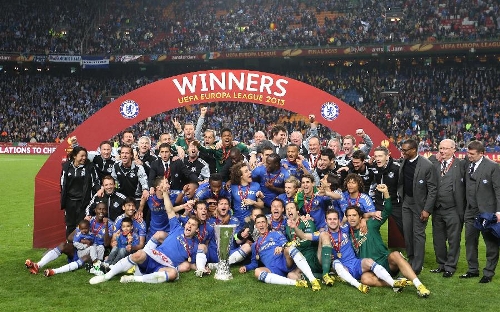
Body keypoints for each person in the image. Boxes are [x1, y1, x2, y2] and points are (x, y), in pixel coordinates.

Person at [89, 180, 206, 284]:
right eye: (188, 223)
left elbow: (192, 263)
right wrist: (165, 193)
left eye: (193, 225)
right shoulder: (177, 228)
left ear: (196, 231)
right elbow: (169, 210)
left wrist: (203, 268)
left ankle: (135, 279)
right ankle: (107, 276)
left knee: (173, 274)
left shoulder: (195, 245)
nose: (189, 225)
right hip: (154, 256)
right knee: (139, 254)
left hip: (166, 266)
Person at [345, 184, 431, 297]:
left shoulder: (371, 224)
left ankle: (419, 285)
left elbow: (387, 211)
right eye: (349, 216)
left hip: (385, 262)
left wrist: (385, 193)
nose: (351, 218)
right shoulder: (348, 235)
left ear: (360, 217)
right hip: (371, 269)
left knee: (395, 254)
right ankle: (395, 283)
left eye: (354, 215)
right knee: (365, 279)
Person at [293, 209, 405, 293]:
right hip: (342, 266)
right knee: (336, 264)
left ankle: (393, 283)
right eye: (330, 219)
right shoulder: (323, 234)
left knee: (368, 261)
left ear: (339, 220)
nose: (332, 221)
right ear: (326, 221)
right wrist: (295, 227)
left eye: (335, 219)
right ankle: (358, 285)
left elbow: (357, 215)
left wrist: (366, 219)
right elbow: (303, 235)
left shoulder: (346, 228)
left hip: (355, 262)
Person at [238, 214, 322, 291]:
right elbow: (254, 263)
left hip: (285, 262)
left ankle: (312, 280)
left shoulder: (276, 234)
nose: (261, 224)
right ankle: (295, 283)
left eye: (263, 222)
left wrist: (281, 248)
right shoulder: (255, 245)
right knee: (257, 272)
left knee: (288, 249)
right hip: (273, 269)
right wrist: (246, 267)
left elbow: (286, 244)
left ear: (267, 224)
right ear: (256, 226)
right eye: (258, 223)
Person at [26, 203, 111, 277]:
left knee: (86, 257)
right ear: (95, 210)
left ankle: (54, 271)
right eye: (99, 209)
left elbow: (107, 244)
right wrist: (81, 235)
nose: (101, 211)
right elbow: (70, 238)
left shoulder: (110, 224)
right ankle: (38, 265)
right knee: (63, 245)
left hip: (93, 252)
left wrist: (106, 225)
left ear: (107, 211)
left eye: (104, 209)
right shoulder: (88, 221)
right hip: (79, 248)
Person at [461, 140, 500, 283]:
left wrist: (499, 212)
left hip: (487, 212)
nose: (468, 156)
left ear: (481, 153)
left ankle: (488, 273)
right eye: (467, 153)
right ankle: (473, 270)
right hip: (470, 210)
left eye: (471, 154)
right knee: (470, 241)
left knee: (491, 243)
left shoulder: (492, 167)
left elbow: (498, 190)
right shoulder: (468, 164)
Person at [398, 139, 437, 274]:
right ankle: (411, 258)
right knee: (407, 233)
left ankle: (417, 265)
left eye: (405, 150)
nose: (402, 152)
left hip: (420, 205)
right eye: (402, 150)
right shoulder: (404, 161)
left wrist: (427, 209)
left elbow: (433, 189)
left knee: (418, 234)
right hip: (407, 202)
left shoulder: (427, 165)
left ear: (414, 150)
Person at [427, 139, 466, 277]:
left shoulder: (461, 165)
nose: (442, 151)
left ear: (453, 149)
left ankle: (450, 266)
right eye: (440, 148)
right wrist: (433, 156)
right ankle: (441, 264)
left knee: (453, 239)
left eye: (446, 148)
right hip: (437, 209)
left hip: (453, 209)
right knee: (438, 239)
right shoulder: (435, 164)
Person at [60, 146, 101, 237]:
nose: (84, 158)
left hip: (84, 201)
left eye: (85, 156)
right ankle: (70, 245)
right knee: (70, 224)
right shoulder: (66, 166)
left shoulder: (90, 167)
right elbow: (63, 183)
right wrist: (63, 198)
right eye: (82, 156)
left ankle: (80, 246)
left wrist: (99, 189)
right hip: (70, 201)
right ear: (75, 156)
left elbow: (96, 181)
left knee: (82, 224)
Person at [371, 146, 403, 236]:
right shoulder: (373, 166)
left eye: (380, 156)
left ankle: (410, 248)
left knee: (404, 229)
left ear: (387, 156)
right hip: (379, 205)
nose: (377, 159)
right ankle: (374, 246)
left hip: (395, 204)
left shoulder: (397, 168)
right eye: (376, 156)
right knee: (370, 226)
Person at [285, 202, 322, 275]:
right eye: (287, 209)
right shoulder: (287, 227)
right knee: (291, 275)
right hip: (298, 257)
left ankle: (322, 276)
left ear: (297, 211)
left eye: (291, 208)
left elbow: (308, 241)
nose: (289, 210)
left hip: (311, 256)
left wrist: (293, 244)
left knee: (293, 275)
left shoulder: (307, 222)